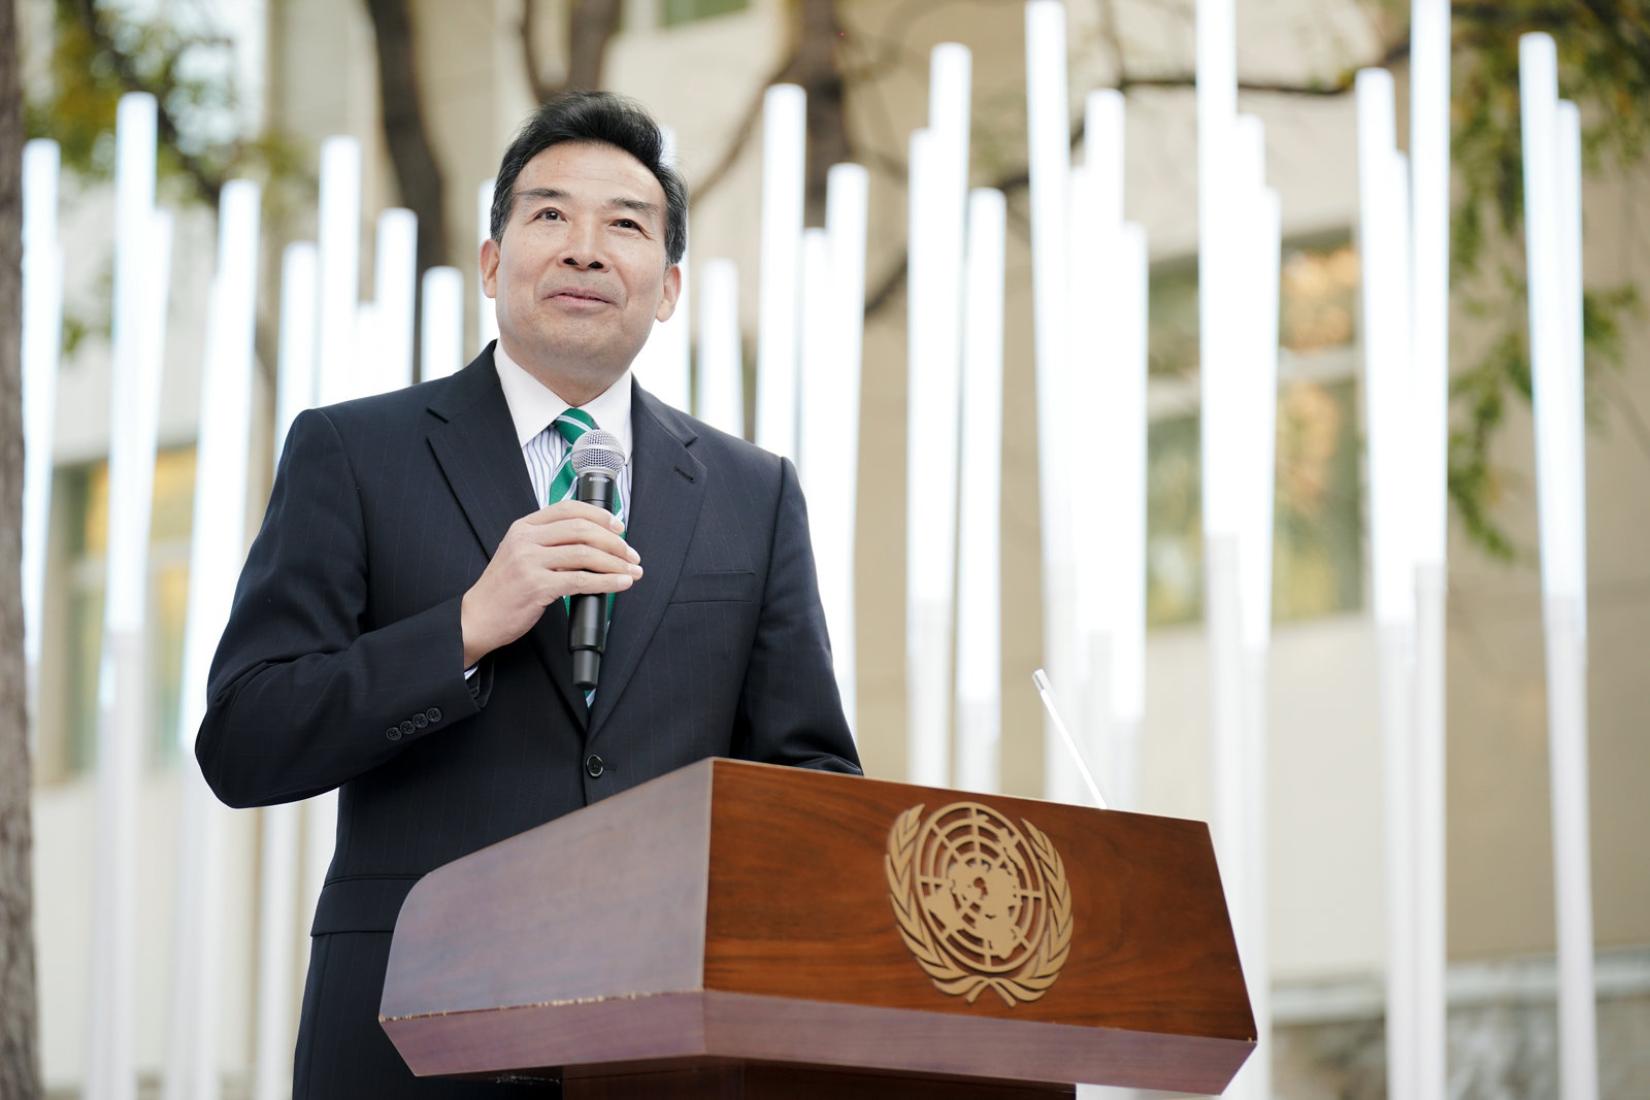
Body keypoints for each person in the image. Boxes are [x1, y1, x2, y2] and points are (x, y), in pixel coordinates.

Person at [196, 91, 860, 1098]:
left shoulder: (751, 493)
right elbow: (245, 735)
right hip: (412, 1034)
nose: (587, 249)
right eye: (550, 215)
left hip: (668, 1043)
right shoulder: (353, 451)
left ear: (668, 286)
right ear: (493, 261)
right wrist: (466, 625)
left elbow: (808, 781)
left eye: (625, 225)